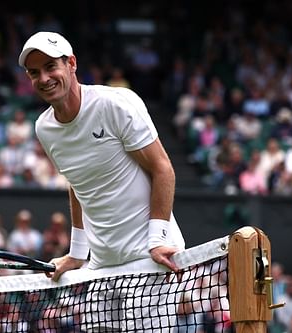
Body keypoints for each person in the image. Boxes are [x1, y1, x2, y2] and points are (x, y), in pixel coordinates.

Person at [18, 31, 185, 330]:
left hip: (147, 259)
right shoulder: (44, 128)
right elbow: (76, 184)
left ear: (71, 64)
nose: (44, 78)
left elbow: (163, 168)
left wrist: (158, 240)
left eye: (51, 67)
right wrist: (77, 253)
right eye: (34, 72)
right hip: (100, 264)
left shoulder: (114, 104)